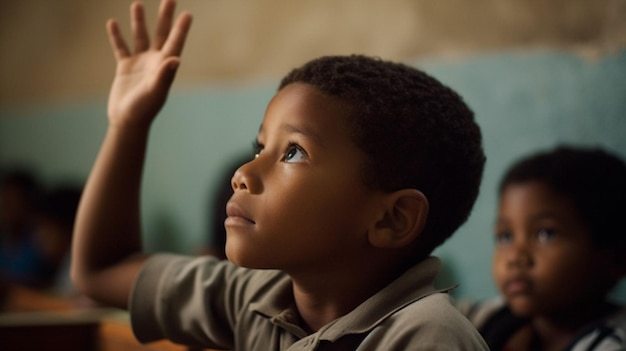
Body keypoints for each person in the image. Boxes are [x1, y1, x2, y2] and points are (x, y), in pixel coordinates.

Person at [71, 0, 488, 349]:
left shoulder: (428, 336)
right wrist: (128, 126)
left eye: (293, 152)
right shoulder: (256, 298)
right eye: (260, 147)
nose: (243, 174)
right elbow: (100, 271)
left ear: (390, 219)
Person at [460, 146, 626, 350]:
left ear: (617, 259)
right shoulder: (493, 318)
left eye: (546, 234)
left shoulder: (611, 343)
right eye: (505, 236)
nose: (515, 257)